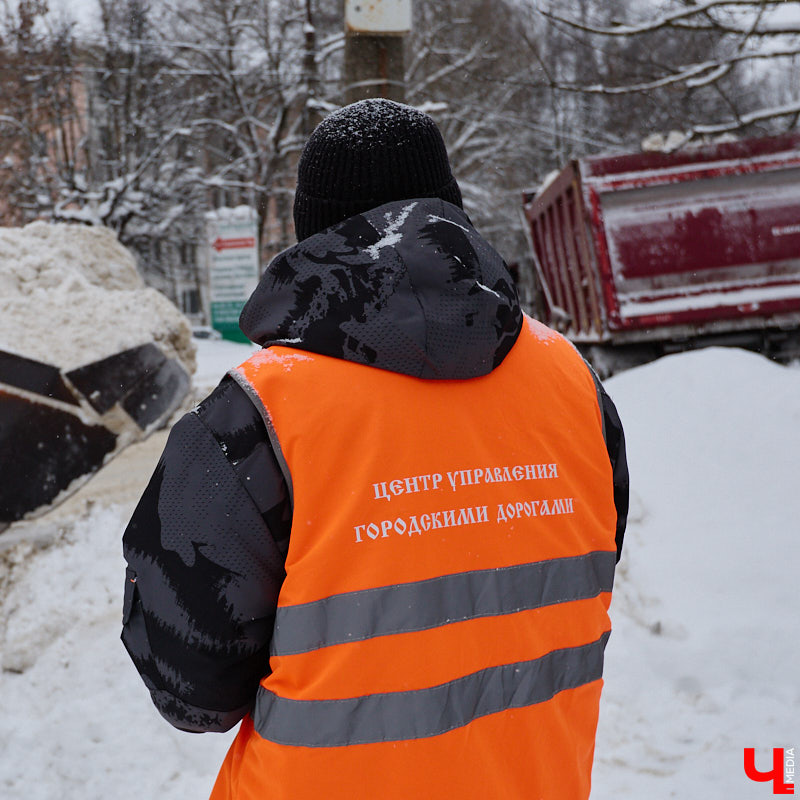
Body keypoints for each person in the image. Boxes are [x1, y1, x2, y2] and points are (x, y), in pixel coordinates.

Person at [120, 99, 628, 799]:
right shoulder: (575, 385)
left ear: (312, 235)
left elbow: (190, 689)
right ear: (453, 214)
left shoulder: (255, 418)